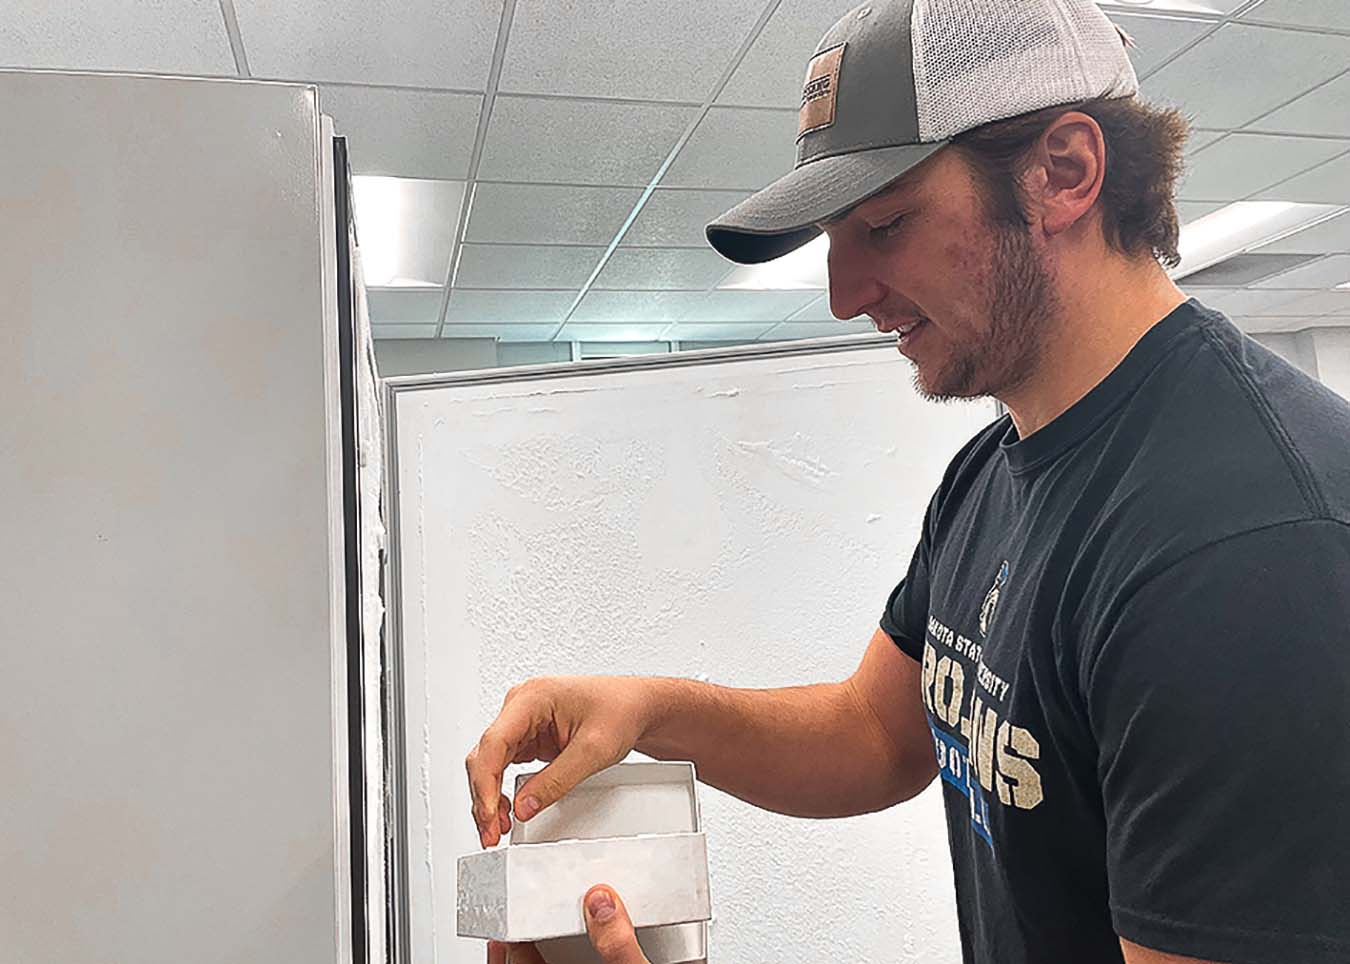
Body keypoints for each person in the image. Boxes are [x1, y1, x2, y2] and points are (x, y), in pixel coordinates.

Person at [468, 1, 1350, 962]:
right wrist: (649, 711)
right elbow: (877, 737)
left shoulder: (1248, 547)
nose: (844, 296)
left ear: (1064, 172)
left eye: (885, 224)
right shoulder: (998, 466)